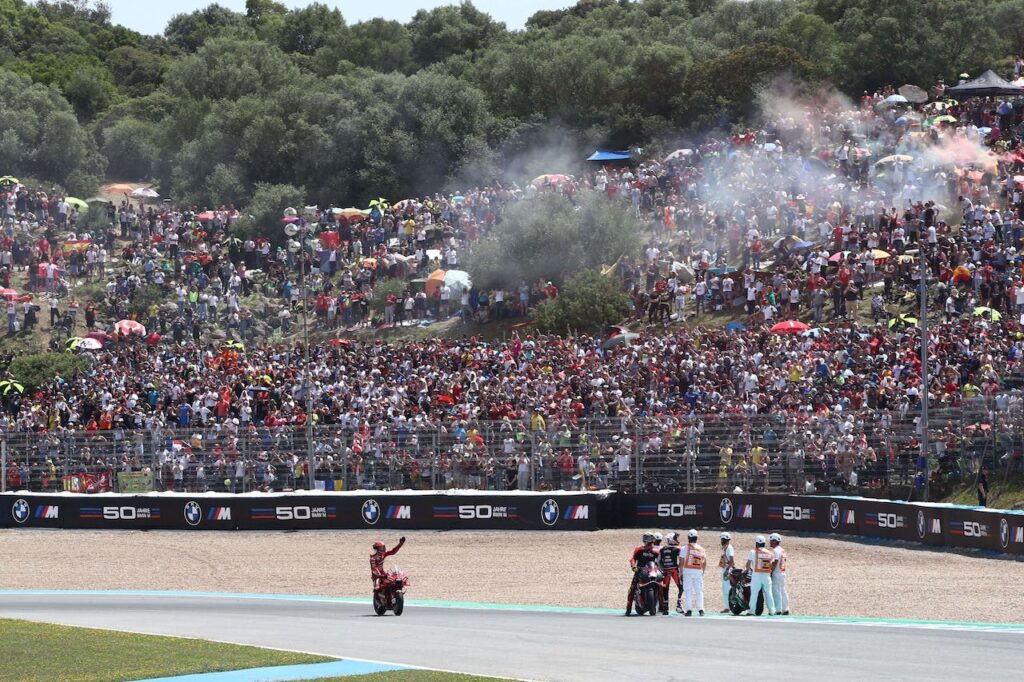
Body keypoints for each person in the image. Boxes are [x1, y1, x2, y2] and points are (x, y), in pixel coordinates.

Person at [625, 532, 660, 616]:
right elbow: (632, 559)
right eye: (645, 537)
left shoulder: (656, 551)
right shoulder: (639, 549)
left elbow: (659, 562)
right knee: (632, 589)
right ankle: (628, 609)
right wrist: (634, 567)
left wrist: (661, 570)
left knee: (662, 585)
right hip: (639, 571)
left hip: (652, 572)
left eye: (647, 537)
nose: (645, 539)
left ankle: (663, 608)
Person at [744, 535, 777, 616]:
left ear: (756, 543)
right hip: (767, 576)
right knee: (768, 593)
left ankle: (751, 611)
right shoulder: (770, 553)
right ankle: (772, 611)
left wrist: (748, 570)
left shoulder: (753, 552)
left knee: (754, 594)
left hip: (756, 576)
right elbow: (772, 565)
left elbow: (747, 565)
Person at [681, 529, 706, 616]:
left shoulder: (685, 548)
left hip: (687, 571)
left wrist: (681, 573)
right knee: (699, 591)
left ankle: (689, 610)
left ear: (688, 538)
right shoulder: (701, 549)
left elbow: (681, 562)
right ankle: (701, 610)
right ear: (696, 538)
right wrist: (702, 572)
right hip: (698, 572)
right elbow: (704, 562)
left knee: (688, 591)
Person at [658, 531, 683, 615]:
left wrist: (663, 570)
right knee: (681, 587)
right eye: (675, 538)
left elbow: (659, 561)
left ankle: (666, 609)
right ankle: (679, 606)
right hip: (675, 571)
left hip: (665, 571)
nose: (677, 540)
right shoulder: (678, 548)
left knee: (665, 589)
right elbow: (682, 558)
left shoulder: (662, 549)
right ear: (671, 539)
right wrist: (680, 568)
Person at [769, 532, 790, 615]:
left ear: (775, 541)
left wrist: (771, 571)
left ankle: (778, 609)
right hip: (782, 572)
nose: (770, 542)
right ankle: (786, 608)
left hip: (777, 573)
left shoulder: (775, 550)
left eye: (771, 540)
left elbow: (775, 561)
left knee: (776, 591)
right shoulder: (782, 550)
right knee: (783, 591)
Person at [718, 532, 735, 613]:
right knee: (725, 589)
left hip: (727, 570)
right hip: (725, 569)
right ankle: (727, 607)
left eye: (721, 539)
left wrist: (727, 570)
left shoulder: (729, 548)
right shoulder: (725, 547)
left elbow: (732, 561)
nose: (721, 541)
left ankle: (729, 607)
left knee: (727, 589)